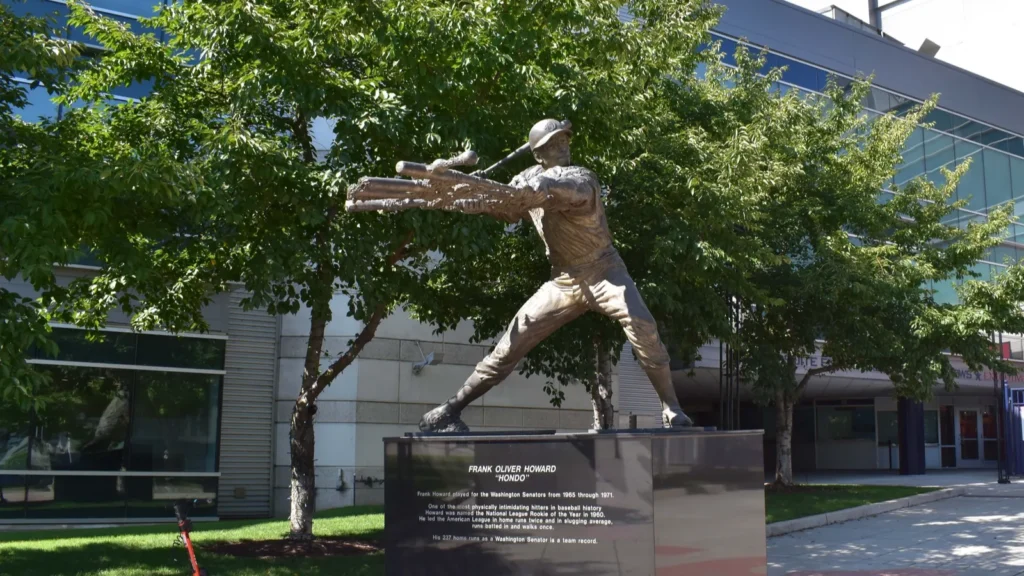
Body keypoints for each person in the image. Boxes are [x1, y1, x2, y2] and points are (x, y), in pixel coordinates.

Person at [419, 119, 692, 432]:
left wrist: (533, 190)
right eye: (552, 144)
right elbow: (507, 208)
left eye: (564, 141)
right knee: (511, 344)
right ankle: (450, 410)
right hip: (563, 281)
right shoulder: (526, 179)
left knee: (642, 323)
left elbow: (566, 191)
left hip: (604, 270)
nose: (562, 147)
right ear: (538, 154)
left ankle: (671, 408)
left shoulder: (581, 177)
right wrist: (474, 200)